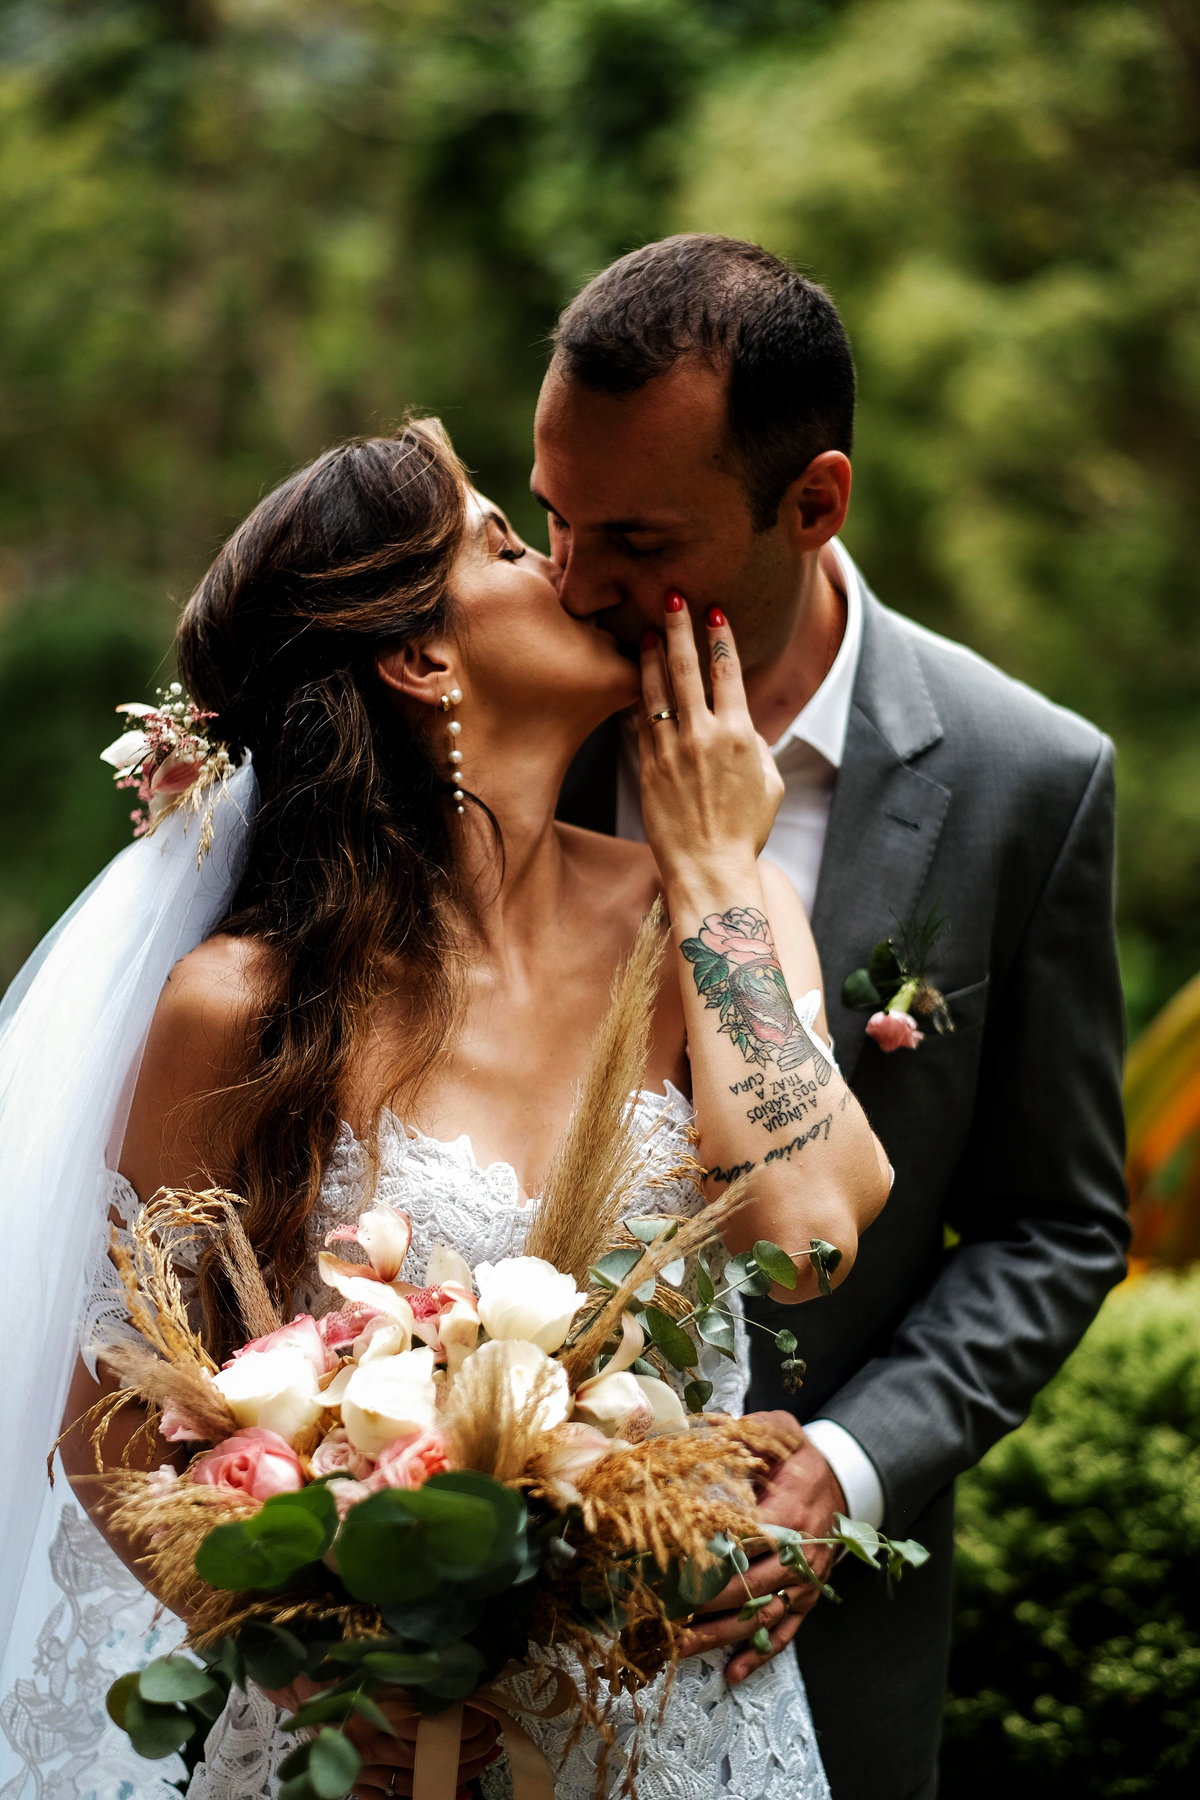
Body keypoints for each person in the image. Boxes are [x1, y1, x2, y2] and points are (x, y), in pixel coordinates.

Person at [0, 418, 891, 1799]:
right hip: (363, 1747)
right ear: (421, 660)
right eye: (507, 544)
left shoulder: (720, 916)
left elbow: (809, 1232)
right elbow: (112, 1420)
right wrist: (309, 1666)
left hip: (675, 1734)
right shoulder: (242, 1006)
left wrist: (717, 869)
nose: (570, 573)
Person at [544, 234, 1130, 1798]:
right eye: (555, 518)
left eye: (636, 539)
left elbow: (1058, 1223)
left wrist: (851, 1466)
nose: (577, 583)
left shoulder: (1025, 779)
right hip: (479, 1628)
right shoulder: (519, 710)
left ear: (813, 503)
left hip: (807, 1657)